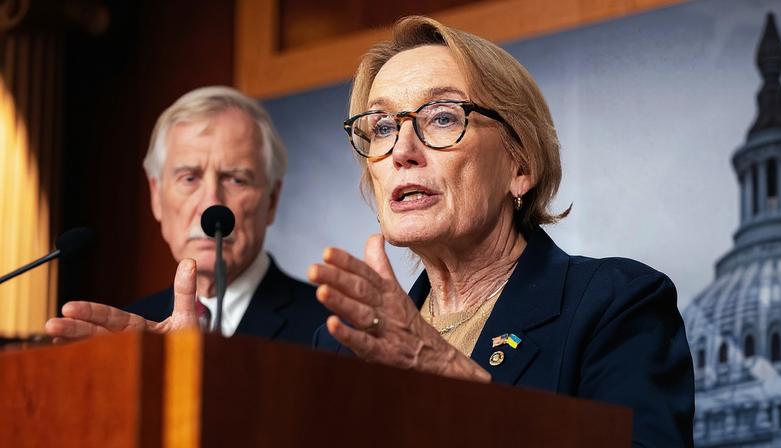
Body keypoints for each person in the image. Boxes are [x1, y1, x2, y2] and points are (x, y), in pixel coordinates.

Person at [308, 16, 694, 446]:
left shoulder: (616, 306)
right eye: (382, 127)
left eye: (441, 118)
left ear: (520, 164)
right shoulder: (342, 345)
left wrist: (454, 384)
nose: (401, 150)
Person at [45, 86, 328, 344]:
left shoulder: (329, 330)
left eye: (236, 179)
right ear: (156, 196)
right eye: (189, 178)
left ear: (271, 201)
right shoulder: (123, 338)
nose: (210, 205)